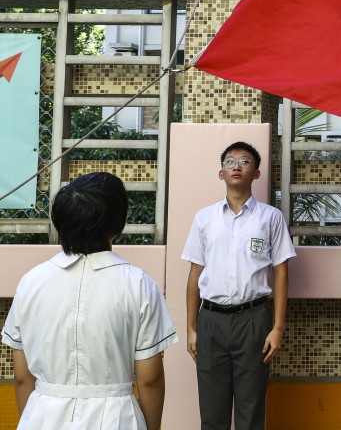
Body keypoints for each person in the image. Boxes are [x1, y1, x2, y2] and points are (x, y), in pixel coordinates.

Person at [1, 172, 178, 430]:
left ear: (60, 223)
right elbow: (149, 379)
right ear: (120, 222)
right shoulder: (140, 285)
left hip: (43, 416)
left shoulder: (31, 282)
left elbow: (21, 376)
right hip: (117, 419)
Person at [183, 141, 297, 430]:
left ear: (256, 173)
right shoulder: (204, 218)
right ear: (221, 173)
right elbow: (195, 275)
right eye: (230, 161)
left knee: (251, 410)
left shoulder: (270, 218)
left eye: (245, 161)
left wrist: (278, 327)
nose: (236, 166)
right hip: (210, 321)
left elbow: (281, 272)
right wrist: (192, 328)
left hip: (253, 321)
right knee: (212, 412)